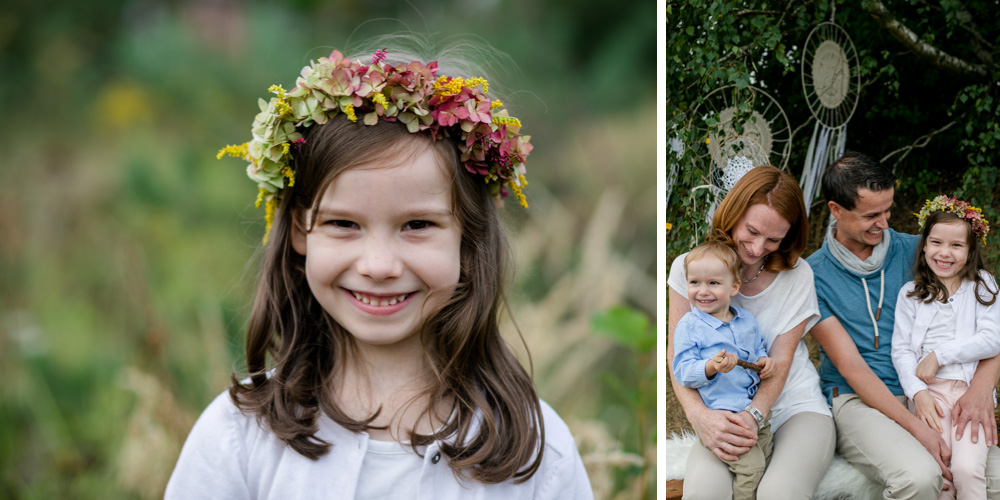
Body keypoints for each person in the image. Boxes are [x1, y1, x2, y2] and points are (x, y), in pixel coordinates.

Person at [165, 46, 592, 499]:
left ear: (469, 237)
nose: (379, 266)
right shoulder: (237, 437)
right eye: (343, 224)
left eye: (417, 225)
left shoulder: (536, 455)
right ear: (299, 232)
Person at [807, 152, 1000, 499]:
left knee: (990, 478)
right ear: (836, 210)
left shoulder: (921, 252)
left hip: (935, 389)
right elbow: (851, 367)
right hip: (859, 399)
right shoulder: (813, 276)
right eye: (871, 215)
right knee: (920, 476)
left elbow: (988, 326)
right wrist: (916, 428)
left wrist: (981, 389)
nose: (884, 223)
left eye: (888, 210)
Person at [667, 165, 835, 499]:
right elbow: (676, 355)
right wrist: (699, 416)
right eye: (752, 231)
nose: (758, 248)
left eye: (774, 239)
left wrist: (754, 415)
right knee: (705, 492)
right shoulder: (689, 268)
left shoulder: (798, 275)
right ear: (733, 212)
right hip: (721, 412)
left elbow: (781, 360)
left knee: (779, 493)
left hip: (792, 410)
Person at [891, 195, 1000, 500]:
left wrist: (939, 355)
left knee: (967, 469)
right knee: (941, 470)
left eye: (956, 245)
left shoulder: (983, 285)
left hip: (970, 394)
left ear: (970, 249)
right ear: (924, 244)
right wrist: (918, 393)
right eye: (936, 242)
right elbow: (901, 352)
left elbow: (992, 339)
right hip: (930, 396)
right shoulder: (910, 294)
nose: (944, 253)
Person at [672, 240, 777, 499]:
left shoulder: (746, 321)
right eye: (694, 282)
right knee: (752, 469)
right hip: (723, 416)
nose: (702, 291)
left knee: (765, 456)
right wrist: (711, 366)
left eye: (713, 283)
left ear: (735, 287)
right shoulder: (690, 326)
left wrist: (765, 361)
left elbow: (757, 352)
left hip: (751, 412)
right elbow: (682, 371)